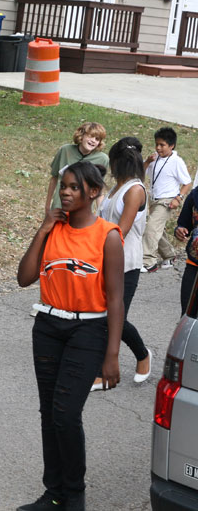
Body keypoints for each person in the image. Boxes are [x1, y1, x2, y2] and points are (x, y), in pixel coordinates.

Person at [17, 160, 123, 511]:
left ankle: (74, 494)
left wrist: (111, 355)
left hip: (88, 329)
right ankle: (54, 491)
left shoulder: (107, 236)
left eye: (74, 186)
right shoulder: (54, 229)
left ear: (94, 192)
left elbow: (117, 300)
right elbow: (24, 277)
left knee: (65, 413)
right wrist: (44, 228)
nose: (65, 191)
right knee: (49, 413)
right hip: (47, 326)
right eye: (64, 185)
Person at [92, 137, 151, 391]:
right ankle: (96, 370)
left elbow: (121, 231)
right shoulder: (118, 187)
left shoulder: (135, 190)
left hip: (125, 263)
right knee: (99, 315)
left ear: (120, 162)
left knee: (115, 317)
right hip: (103, 258)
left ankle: (142, 355)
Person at [141, 127, 190, 272]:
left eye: (162, 145)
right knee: (157, 229)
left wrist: (178, 198)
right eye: (156, 144)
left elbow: (187, 182)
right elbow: (141, 172)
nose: (158, 148)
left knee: (150, 228)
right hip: (153, 199)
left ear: (171, 145)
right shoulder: (154, 158)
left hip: (167, 201)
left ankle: (148, 261)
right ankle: (169, 255)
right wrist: (147, 162)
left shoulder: (176, 161)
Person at [44, 122, 108, 210]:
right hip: (60, 207)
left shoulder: (102, 159)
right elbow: (54, 178)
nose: (93, 140)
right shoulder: (65, 150)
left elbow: (99, 190)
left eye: (97, 139)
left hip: (82, 212)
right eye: (90, 136)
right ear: (81, 135)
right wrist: (47, 206)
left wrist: (100, 213)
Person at [174, 184, 198, 314]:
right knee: (188, 316)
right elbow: (183, 224)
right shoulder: (195, 196)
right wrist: (179, 230)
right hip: (194, 265)